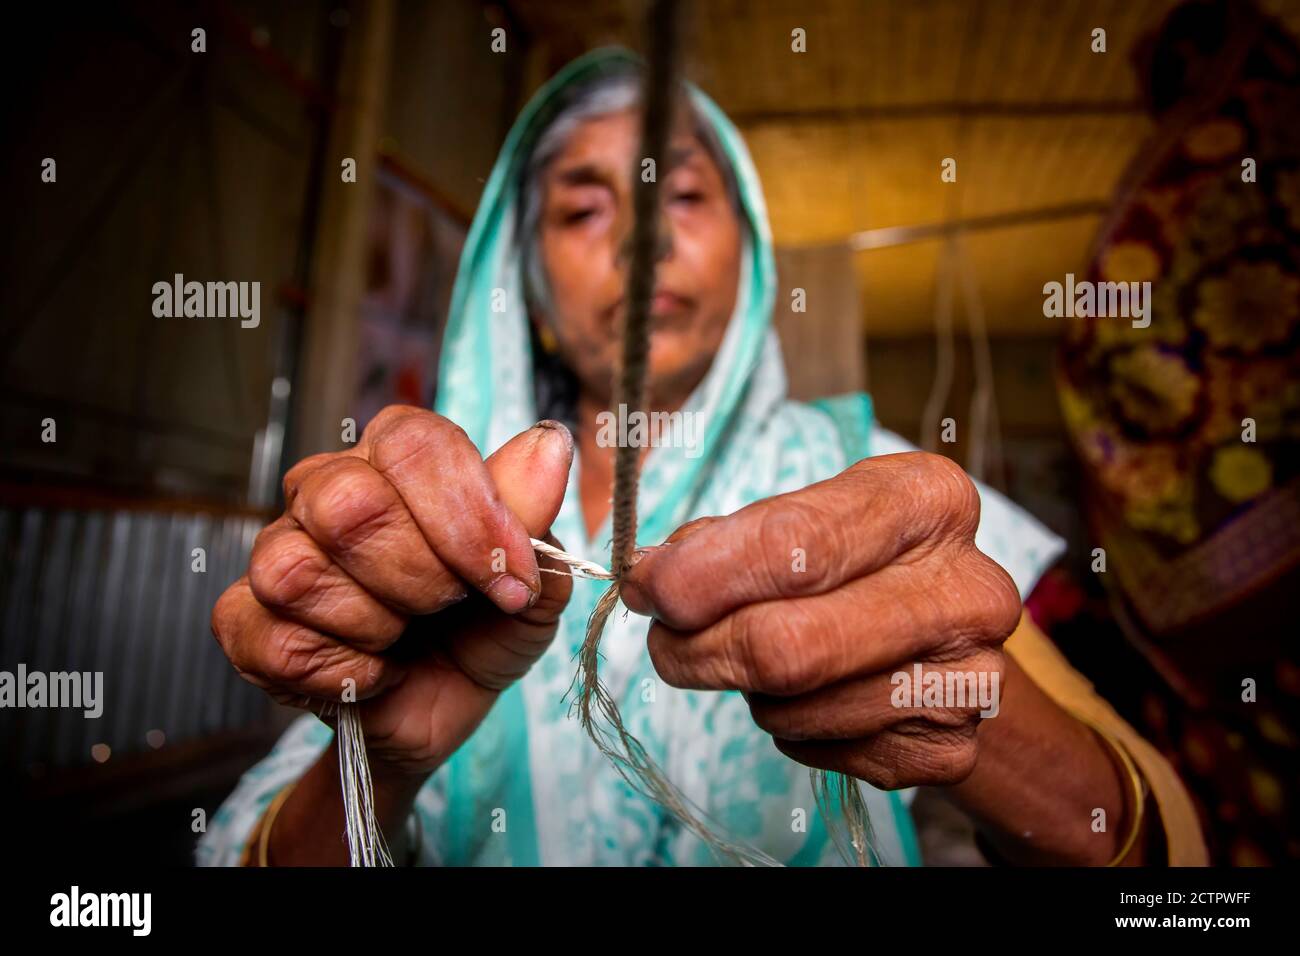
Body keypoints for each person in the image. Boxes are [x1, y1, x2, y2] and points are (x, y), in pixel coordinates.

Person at [199, 48, 1205, 867]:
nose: (640, 242)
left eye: (681, 197)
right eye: (584, 210)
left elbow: (1164, 861)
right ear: (533, 298)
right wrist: (377, 760)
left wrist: (958, 709)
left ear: (751, 253)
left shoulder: (868, 482)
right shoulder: (443, 525)